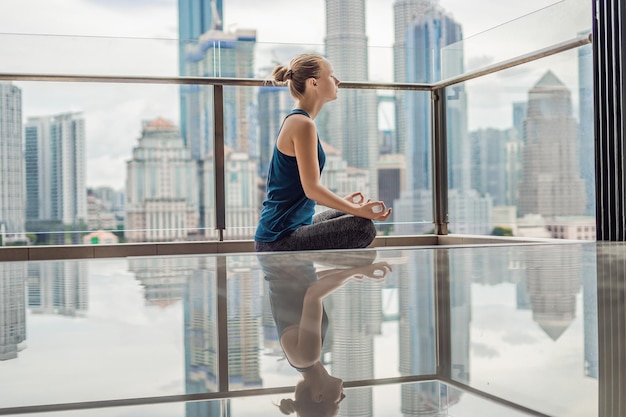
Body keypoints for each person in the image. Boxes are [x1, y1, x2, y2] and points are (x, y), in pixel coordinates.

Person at [255, 54, 392, 252]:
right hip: (278, 238)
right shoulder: (302, 124)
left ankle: (334, 275)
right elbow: (312, 189)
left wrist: (344, 204)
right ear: (314, 83)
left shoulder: (300, 121)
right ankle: (334, 277)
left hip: (288, 229)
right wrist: (356, 209)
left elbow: (304, 189)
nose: (337, 81)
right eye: (331, 75)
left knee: (351, 216)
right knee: (363, 228)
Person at [259, 250, 392, 417]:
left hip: (284, 252)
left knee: (366, 252)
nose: (343, 396)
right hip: (282, 256)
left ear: (319, 397)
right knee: (364, 258)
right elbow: (309, 282)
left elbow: (313, 294)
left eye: (337, 403)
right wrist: (349, 274)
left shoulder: (308, 356)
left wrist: (355, 271)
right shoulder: (301, 361)